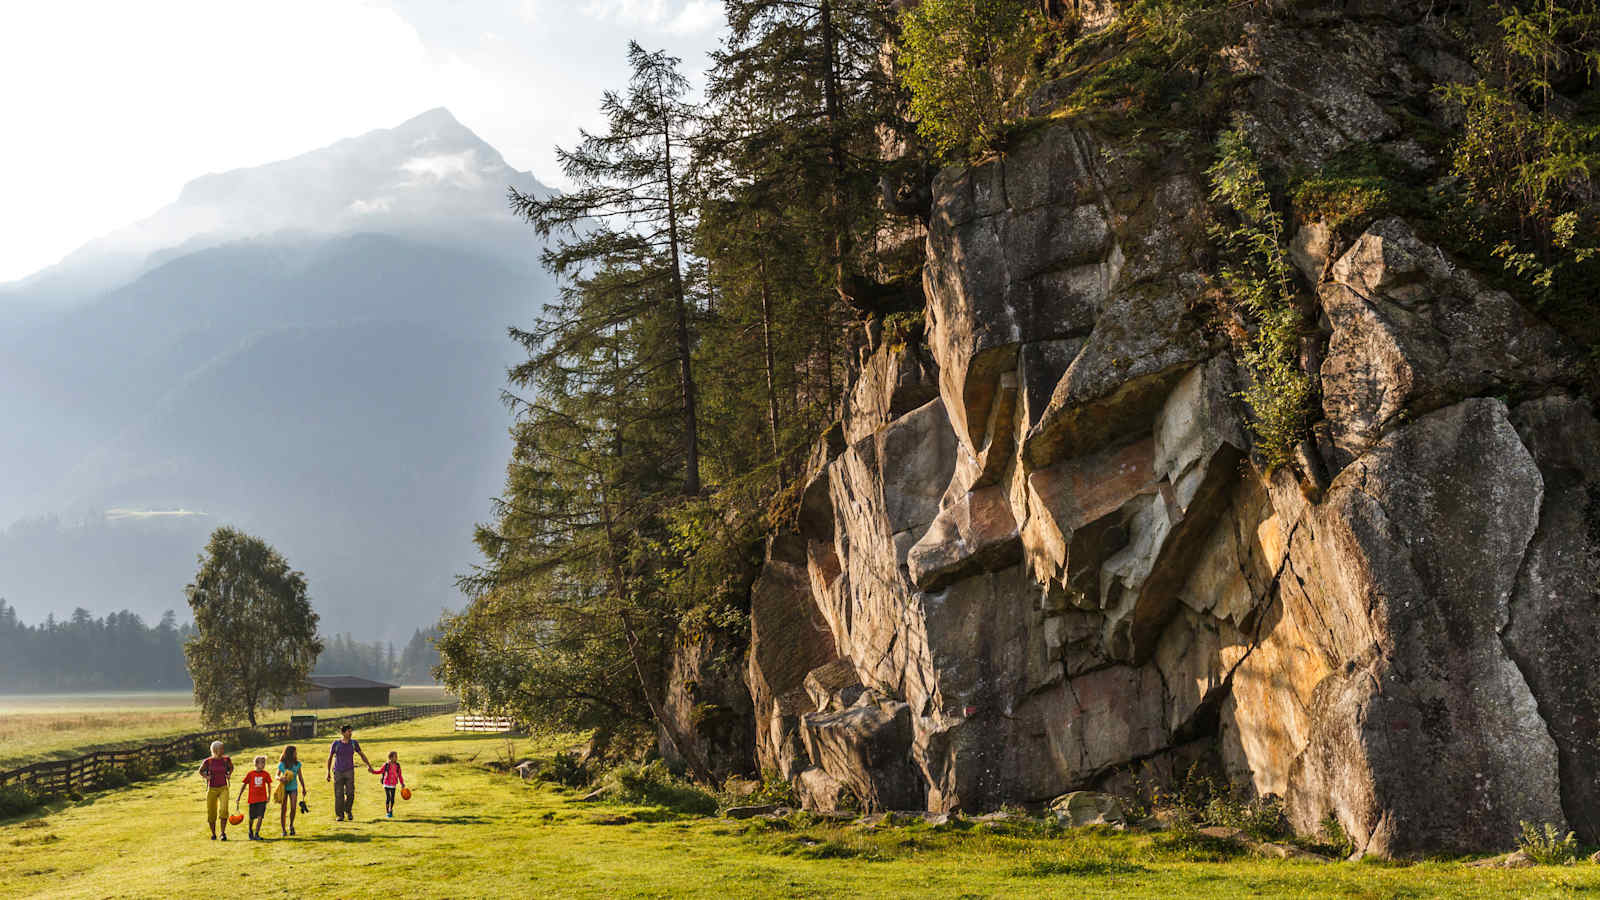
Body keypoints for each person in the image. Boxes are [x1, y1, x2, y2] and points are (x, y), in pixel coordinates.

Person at [325, 724, 372, 822]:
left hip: (349, 771)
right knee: (339, 794)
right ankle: (340, 815)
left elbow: (361, 755)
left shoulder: (354, 743)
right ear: (343, 733)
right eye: (348, 731)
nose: (350, 733)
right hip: (338, 771)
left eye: (351, 731)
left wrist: (368, 765)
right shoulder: (336, 744)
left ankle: (348, 810)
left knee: (350, 794)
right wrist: (328, 772)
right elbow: (329, 758)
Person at [197, 740, 233, 841]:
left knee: (224, 810)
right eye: (221, 748)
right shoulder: (208, 761)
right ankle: (213, 834)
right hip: (211, 788)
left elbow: (231, 768)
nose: (223, 750)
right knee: (211, 812)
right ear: (215, 750)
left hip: (223, 788)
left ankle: (222, 833)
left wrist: (229, 774)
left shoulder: (226, 760)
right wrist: (206, 777)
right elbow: (200, 771)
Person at [237, 755, 274, 841]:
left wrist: (269, 796)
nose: (264, 764)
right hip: (253, 800)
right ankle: (250, 831)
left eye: (264, 763)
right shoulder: (250, 774)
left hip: (262, 799)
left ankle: (257, 834)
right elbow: (244, 785)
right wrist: (239, 796)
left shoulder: (266, 774)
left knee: (260, 817)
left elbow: (269, 785)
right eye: (262, 763)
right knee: (251, 818)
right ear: (256, 764)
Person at [277, 745, 308, 836]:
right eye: (295, 752)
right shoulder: (282, 764)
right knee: (283, 809)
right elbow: (276, 775)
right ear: (290, 753)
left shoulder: (297, 764)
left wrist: (303, 788)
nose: (296, 754)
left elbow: (300, 777)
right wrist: (280, 778)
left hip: (293, 788)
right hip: (284, 788)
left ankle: (291, 826)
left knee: (293, 808)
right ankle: (283, 830)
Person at [371, 751, 405, 818]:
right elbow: (380, 771)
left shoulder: (397, 765)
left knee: (392, 799)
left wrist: (402, 783)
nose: (396, 758)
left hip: (393, 784)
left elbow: (400, 775)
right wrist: (373, 771)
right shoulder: (386, 765)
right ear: (390, 757)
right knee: (388, 797)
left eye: (396, 756)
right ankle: (387, 812)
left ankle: (391, 809)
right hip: (386, 783)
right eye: (395, 756)